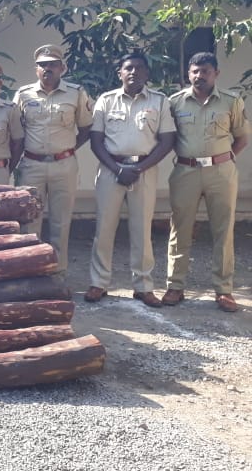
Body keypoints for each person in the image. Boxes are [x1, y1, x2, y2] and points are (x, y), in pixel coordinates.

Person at [84, 51, 176, 307]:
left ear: (147, 73)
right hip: (110, 169)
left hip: (144, 170)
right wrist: (116, 168)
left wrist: (139, 168)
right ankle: (99, 283)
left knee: (142, 229)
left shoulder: (160, 101)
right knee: (104, 228)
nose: (134, 72)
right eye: (128, 68)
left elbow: (167, 140)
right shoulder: (106, 100)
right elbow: (96, 140)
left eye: (139, 68)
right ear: (120, 73)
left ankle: (144, 286)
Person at [163, 51, 249, 312]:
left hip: (221, 172)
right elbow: (168, 138)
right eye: (195, 72)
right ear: (188, 74)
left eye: (206, 71)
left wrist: (224, 158)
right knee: (180, 228)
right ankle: (175, 286)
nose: (199, 76)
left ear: (216, 74)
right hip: (185, 171)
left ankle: (224, 290)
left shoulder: (231, 102)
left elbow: (242, 137)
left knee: (223, 230)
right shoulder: (175, 102)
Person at [14, 44, 94, 273]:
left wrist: (67, 149)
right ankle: (28, 271)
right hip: (31, 165)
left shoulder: (76, 93)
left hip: (64, 165)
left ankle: (57, 272)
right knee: (29, 221)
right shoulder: (23, 94)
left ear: (62, 68)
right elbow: (17, 130)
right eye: (42, 65)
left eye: (52, 64)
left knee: (61, 222)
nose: (47, 69)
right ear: (36, 69)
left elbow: (86, 129)